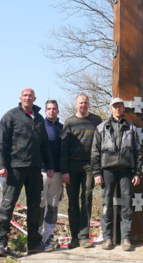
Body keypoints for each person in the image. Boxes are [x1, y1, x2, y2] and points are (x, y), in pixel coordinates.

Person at [0, 88, 55, 256]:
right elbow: (1, 141)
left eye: (30, 96)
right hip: (15, 168)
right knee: (8, 205)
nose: (28, 98)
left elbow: (44, 145)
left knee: (35, 207)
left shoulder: (40, 119)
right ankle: (0, 243)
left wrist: (49, 165)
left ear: (35, 98)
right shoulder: (10, 116)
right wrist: (1, 164)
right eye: (25, 95)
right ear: (20, 98)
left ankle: (34, 243)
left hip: (35, 169)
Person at [91, 97, 143, 252]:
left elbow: (138, 152)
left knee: (127, 204)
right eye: (115, 106)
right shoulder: (101, 128)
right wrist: (96, 173)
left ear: (123, 109)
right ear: (111, 108)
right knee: (106, 204)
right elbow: (95, 153)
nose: (118, 109)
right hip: (107, 170)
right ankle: (107, 239)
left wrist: (138, 173)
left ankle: (126, 238)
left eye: (120, 106)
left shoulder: (131, 128)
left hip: (126, 170)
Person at [60, 93, 103, 249]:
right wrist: (64, 170)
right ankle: (74, 238)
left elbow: (102, 144)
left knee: (86, 199)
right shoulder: (69, 122)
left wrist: (99, 168)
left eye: (85, 103)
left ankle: (84, 237)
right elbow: (63, 148)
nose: (83, 105)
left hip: (90, 166)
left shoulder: (97, 121)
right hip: (71, 166)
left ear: (88, 104)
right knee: (72, 202)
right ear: (76, 104)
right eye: (80, 103)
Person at [38, 100, 63, 248]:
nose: (51, 111)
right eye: (49, 109)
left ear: (58, 111)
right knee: (41, 205)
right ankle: (37, 236)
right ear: (45, 111)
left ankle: (48, 236)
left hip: (58, 173)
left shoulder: (63, 128)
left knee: (53, 206)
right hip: (42, 172)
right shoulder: (40, 127)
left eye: (54, 109)